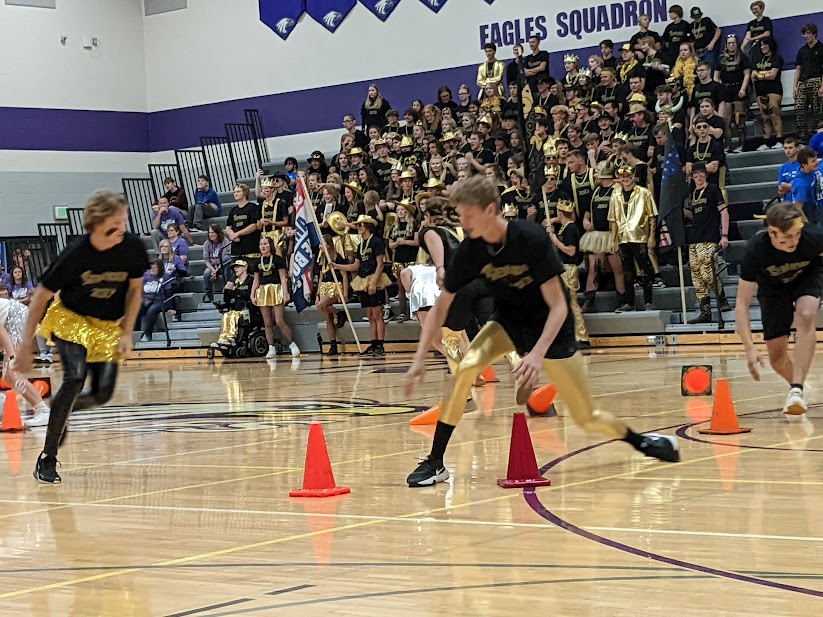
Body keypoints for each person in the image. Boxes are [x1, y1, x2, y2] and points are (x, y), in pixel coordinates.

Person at [404, 176, 679, 487]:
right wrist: (418, 358)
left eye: (468, 215)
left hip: (553, 328)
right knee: (465, 370)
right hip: (508, 322)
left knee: (585, 416)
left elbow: (559, 307)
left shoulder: (529, 238)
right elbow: (441, 307)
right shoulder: (471, 250)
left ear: (491, 210)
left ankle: (642, 442)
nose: (463, 223)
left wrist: (535, 355)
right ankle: (436, 461)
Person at [14, 191, 149, 483]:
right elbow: (40, 298)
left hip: (107, 325)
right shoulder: (76, 255)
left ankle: (60, 410)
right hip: (72, 319)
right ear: (96, 224)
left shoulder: (132, 248)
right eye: (116, 224)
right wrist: (25, 345)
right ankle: (48, 457)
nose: (123, 229)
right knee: (75, 377)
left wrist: (127, 332)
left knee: (102, 393)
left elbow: (136, 290)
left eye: (124, 221)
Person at [736, 202, 823, 417]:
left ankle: (796, 389)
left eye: (797, 235)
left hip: (808, 277)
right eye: (787, 238)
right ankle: (799, 387)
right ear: (772, 233)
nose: (794, 241)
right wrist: (749, 347)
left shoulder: (813, 237)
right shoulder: (756, 249)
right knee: (776, 356)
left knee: (806, 313)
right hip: (773, 289)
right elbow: (741, 303)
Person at [332, 214, 391, 357]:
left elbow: (380, 264)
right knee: (370, 314)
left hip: (374, 280)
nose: (358, 228)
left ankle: (380, 345)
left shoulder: (376, 242)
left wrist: (373, 283)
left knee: (378, 314)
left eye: (360, 225)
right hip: (363, 279)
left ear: (367, 227)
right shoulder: (360, 244)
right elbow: (355, 266)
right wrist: (337, 265)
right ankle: (373, 342)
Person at [684, 163, 731, 324]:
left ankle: (722, 298)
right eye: (695, 175)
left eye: (701, 175)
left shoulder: (713, 189)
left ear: (706, 175)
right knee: (696, 276)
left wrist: (724, 235)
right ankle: (705, 312)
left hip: (710, 237)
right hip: (694, 239)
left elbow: (724, 212)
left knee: (708, 273)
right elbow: (694, 215)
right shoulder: (693, 192)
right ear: (692, 177)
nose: (698, 178)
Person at [609, 165, 658, 312]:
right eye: (623, 177)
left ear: (633, 177)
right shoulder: (615, 195)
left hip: (640, 236)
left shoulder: (644, 193)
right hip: (623, 237)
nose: (626, 179)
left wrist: (652, 236)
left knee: (645, 269)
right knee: (627, 271)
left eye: (628, 176)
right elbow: (612, 220)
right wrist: (613, 240)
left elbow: (652, 217)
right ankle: (629, 303)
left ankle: (648, 301)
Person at [0, 295, 51, 428]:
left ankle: (44, 411)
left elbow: (0, 330)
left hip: (15, 318)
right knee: (8, 375)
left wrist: (12, 357)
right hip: (11, 320)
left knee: (11, 372)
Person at [581, 159, 625, 313]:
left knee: (617, 267)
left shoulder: (617, 190)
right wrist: (586, 222)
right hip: (597, 236)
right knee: (593, 267)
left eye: (598, 174)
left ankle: (622, 300)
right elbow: (587, 213)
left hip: (612, 234)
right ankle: (589, 301)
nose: (595, 177)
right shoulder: (595, 192)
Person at [550, 200, 590, 349]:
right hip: (562, 267)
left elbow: (571, 250)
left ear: (560, 213)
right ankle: (571, 335)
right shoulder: (564, 228)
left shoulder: (570, 229)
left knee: (572, 303)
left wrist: (555, 240)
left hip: (568, 269)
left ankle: (582, 335)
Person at [251, 236, 300, 359]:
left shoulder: (278, 260)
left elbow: (283, 277)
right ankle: (271, 347)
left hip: (276, 289)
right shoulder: (257, 262)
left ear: (270, 246)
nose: (262, 246)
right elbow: (256, 279)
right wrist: (252, 294)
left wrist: (285, 293)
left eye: (265, 244)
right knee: (267, 322)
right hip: (263, 290)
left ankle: (292, 344)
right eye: (261, 244)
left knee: (279, 320)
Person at [715, 35, 752, 153]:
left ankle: (742, 145)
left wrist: (743, 89)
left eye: (733, 43)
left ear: (737, 44)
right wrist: (718, 89)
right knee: (726, 120)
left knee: (739, 118)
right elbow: (716, 76)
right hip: (725, 89)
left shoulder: (742, 57)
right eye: (729, 43)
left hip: (738, 88)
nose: (731, 45)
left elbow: (747, 74)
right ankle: (728, 145)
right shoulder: (721, 59)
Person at [315, 235, 349, 356]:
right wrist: (317, 294)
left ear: (328, 245)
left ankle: (339, 313)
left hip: (335, 286)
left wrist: (345, 293)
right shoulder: (321, 258)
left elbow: (344, 275)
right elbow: (320, 277)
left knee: (321, 305)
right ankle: (333, 344)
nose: (319, 246)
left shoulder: (336, 257)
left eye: (322, 244)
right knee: (327, 316)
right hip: (324, 286)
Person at [387, 200, 419, 322]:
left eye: (402, 210)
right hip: (399, 260)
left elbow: (417, 242)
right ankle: (402, 312)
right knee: (401, 288)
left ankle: (414, 311)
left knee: (412, 288)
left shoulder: (414, 225)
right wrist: (396, 243)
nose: (400, 212)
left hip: (411, 259)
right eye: (398, 210)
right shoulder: (393, 227)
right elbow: (390, 245)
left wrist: (404, 242)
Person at [752, 38, 785, 150]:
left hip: (774, 89)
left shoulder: (777, 58)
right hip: (760, 90)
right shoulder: (758, 59)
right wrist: (766, 74)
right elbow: (753, 74)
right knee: (764, 116)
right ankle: (766, 142)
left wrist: (760, 75)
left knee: (774, 114)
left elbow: (773, 76)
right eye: (761, 45)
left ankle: (780, 140)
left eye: (765, 44)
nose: (762, 47)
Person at [212, 260, 254, 348]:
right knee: (226, 315)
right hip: (236, 308)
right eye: (234, 267)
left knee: (234, 315)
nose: (235, 269)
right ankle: (223, 338)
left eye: (238, 266)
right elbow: (227, 300)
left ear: (245, 267)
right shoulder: (234, 281)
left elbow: (249, 296)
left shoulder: (251, 280)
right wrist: (227, 290)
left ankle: (231, 337)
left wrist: (235, 289)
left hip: (248, 309)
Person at [794, 24, 823, 143]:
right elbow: (798, 69)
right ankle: (802, 135)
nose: (805, 36)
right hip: (803, 82)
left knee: (818, 110)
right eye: (804, 34)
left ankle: (815, 135)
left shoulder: (821, 48)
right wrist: (795, 86)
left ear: (814, 34)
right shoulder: (802, 50)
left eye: (808, 33)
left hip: (816, 80)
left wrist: (822, 86)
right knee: (799, 108)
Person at [225, 183, 262, 271]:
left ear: (245, 193)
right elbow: (228, 227)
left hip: (250, 248)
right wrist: (232, 235)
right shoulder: (233, 210)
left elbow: (254, 226)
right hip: (236, 249)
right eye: (234, 192)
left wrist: (238, 234)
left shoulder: (253, 207)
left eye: (238, 191)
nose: (235, 194)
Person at [790, 147, 823, 225]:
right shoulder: (801, 184)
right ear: (804, 165)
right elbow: (798, 208)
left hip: (816, 209)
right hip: (809, 213)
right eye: (813, 161)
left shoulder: (810, 170)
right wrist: (808, 227)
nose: (817, 162)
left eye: (816, 159)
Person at [136, 260, 165, 342]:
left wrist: (170, 307)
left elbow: (168, 292)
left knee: (152, 310)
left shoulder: (165, 277)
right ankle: (135, 334)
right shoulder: (145, 276)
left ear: (160, 268)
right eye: (150, 267)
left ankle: (147, 334)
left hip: (159, 301)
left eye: (155, 267)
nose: (152, 269)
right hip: (145, 300)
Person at [202, 224, 232, 303]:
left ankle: (226, 292)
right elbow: (206, 260)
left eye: (213, 232)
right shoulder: (206, 243)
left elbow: (226, 257)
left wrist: (216, 270)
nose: (211, 234)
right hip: (212, 266)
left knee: (227, 262)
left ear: (218, 233)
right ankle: (209, 295)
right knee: (206, 273)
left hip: (223, 265)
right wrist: (212, 270)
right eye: (209, 233)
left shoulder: (225, 241)